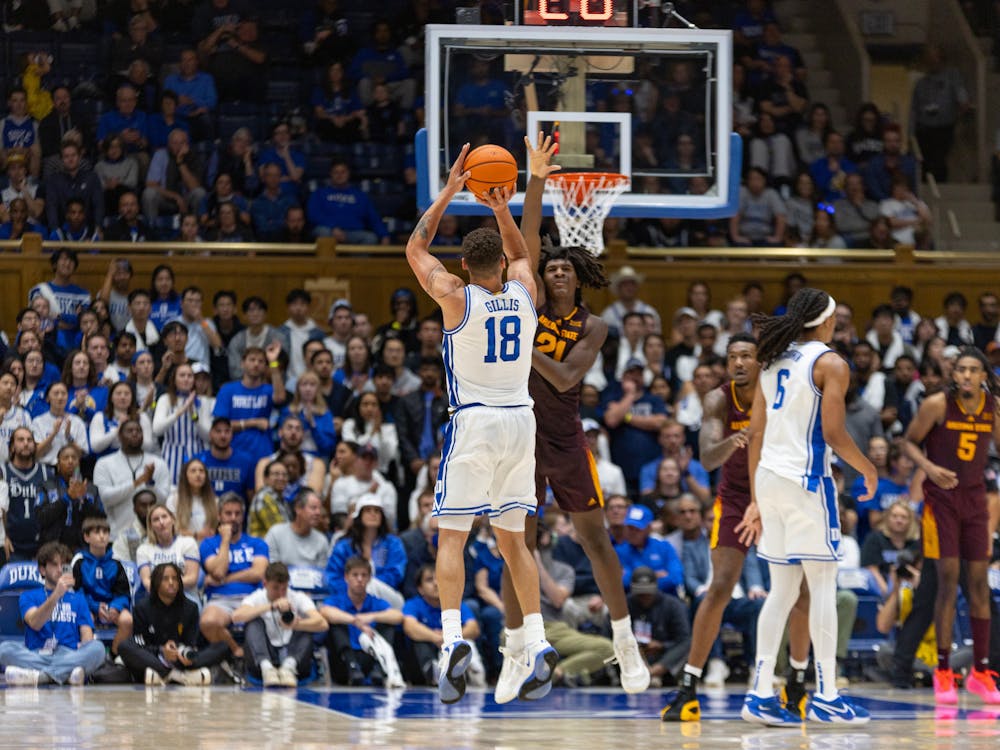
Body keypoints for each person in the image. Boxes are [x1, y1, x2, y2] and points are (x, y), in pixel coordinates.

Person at [404, 143, 556, 704]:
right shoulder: (523, 293)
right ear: (502, 266)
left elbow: (416, 247)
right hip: (522, 421)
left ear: (465, 266)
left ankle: (449, 641)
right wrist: (498, 206)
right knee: (514, 541)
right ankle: (536, 641)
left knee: (453, 536)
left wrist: (449, 190)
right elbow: (524, 258)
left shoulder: (453, 297)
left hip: (475, 422)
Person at [512, 132, 648, 693]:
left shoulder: (596, 327)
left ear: (580, 276)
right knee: (517, 543)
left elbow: (568, 376)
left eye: (567, 268)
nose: (557, 272)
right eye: (551, 268)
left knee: (596, 541)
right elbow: (524, 243)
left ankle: (624, 642)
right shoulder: (533, 303)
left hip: (567, 440)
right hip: (522, 436)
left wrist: (524, 346)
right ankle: (519, 646)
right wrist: (537, 177)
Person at [737, 287, 877, 726]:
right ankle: (828, 696)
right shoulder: (830, 363)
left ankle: (759, 693)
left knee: (781, 591)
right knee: (822, 588)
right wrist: (868, 469)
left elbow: (754, 434)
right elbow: (834, 434)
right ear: (827, 321)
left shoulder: (772, 358)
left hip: (770, 481)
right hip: (807, 482)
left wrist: (757, 498)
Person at [662, 333, 813, 721]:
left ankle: (796, 684)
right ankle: (688, 686)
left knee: (801, 590)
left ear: (762, 360)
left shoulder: (780, 393)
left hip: (780, 494)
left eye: (747, 355)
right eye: (733, 357)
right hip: (735, 499)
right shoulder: (717, 399)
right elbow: (708, 459)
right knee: (720, 586)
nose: (740, 363)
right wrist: (736, 439)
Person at [903, 346, 1000, 705]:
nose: (967, 376)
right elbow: (909, 442)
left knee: (979, 585)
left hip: (975, 501)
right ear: (954, 374)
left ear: (984, 377)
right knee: (947, 580)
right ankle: (943, 670)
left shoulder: (993, 409)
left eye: (974, 370)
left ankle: (981, 671)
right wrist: (928, 468)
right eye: (961, 370)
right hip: (941, 501)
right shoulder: (937, 405)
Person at [0, 541, 106, 686]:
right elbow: (35, 623)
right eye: (54, 565)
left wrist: (84, 651)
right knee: (4, 649)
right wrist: (56, 595)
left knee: (98, 648)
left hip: (69, 654)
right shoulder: (28, 596)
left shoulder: (78, 598)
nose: (60, 569)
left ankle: (41, 676)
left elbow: (87, 636)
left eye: (63, 565)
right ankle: (65, 675)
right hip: (36, 653)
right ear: (43, 570)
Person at [119, 561, 229, 686]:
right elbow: (141, 642)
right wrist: (161, 651)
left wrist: (183, 652)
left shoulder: (190, 608)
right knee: (124, 646)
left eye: (175, 578)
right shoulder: (142, 608)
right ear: (156, 582)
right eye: (165, 579)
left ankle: (166, 675)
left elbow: (191, 642)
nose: (171, 582)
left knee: (223, 646)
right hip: (155, 658)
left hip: (181, 659)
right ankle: (174, 675)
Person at [232, 561, 328, 687]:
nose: (281, 593)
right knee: (252, 622)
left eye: (284, 588)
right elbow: (236, 617)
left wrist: (296, 624)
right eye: (275, 588)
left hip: (293, 654)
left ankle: (289, 667)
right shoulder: (256, 597)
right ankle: (267, 668)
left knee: (307, 623)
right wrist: (270, 606)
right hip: (264, 655)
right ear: (265, 584)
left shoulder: (298, 597)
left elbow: (323, 624)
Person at [199, 493, 269, 658]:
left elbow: (258, 573)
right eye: (228, 513)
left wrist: (226, 579)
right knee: (208, 622)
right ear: (219, 516)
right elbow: (218, 571)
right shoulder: (209, 544)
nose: (233, 518)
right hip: (221, 599)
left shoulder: (257, 543)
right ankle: (236, 652)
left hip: (253, 598)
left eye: (237, 514)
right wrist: (225, 540)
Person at [320, 555, 405, 687]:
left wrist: (372, 616)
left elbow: (398, 616)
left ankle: (379, 668)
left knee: (388, 623)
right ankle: (352, 666)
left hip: (369, 657)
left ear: (369, 578)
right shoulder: (337, 600)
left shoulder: (375, 602)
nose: (360, 579)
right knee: (336, 624)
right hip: (343, 662)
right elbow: (325, 612)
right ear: (346, 577)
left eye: (364, 575)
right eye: (355, 575)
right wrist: (355, 621)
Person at [325, 494, 406, 608]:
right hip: (348, 596)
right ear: (359, 515)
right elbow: (333, 576)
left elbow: (396, 574)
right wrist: (355, 589)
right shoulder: (343, 545)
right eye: (368, 510)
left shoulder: (393, 543)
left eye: (377, 511)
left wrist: (366, 585)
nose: (373, 514)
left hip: (384, 596)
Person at [92, 419, 170, 538]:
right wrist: (137, 482)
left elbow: (163, 500)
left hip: (152, 536)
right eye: (129, 431)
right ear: (119, 436)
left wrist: (149, 483)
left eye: (138, 431)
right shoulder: (104, 464)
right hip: (117, 535)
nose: (135, 433)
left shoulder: (158, 463)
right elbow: (105, 498)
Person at [214, 344, 286, 466]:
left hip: (262, 454)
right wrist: (254, 423)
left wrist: (273, 362)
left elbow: (280, 398)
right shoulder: (228, 390)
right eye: (252, 360)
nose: (256, 364)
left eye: (261, 361)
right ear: (242, 363)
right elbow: (220, 427)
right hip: (233, 453)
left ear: (264, 366)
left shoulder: (268, 390)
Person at [72, 515, 133, 655]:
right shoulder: (79, 561)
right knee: (85, 618)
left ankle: (114, 656)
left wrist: (115, 607)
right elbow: (76, 593)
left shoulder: (116, 562)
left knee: (127, 620)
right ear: (87, 537)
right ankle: (87, 658)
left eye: (105, 532)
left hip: (111, 606)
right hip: (89, 606)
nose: (102, 536)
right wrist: (94, 606)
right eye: (97, 532)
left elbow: (124, 594)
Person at [153, 362, 213, 483]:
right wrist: (180, 411)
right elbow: (157, 430)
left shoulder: (203, 401)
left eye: (190, 376)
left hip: (197, 454)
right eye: (182, 375)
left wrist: (194, 415)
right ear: (174, 379)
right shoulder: (165, 399)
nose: (186, 379)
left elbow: (208, 437)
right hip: (171, 455)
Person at [2, 427, 54, 561]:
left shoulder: (46, 473)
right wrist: (3, 537)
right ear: (12, 447)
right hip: (11, 545)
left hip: (40, 546)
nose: (26, 443)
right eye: (20, 440)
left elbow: (54, 511)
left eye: (29, 440)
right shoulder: (3, 472)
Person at [135, 504, 201, 594]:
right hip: (157, 598)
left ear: (173, 519)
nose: (161, 522)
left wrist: (163, 585)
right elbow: (147, 582)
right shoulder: (143, 550)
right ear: (151, 526)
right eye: (156, 519)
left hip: (186, 595)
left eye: (164, 517)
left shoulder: (188, 543)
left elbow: (192, 579)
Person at [264, 489, 329, 568]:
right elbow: (271, 571)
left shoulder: (322, 540)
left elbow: (321, 574)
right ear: (298, 509)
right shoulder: (276, 533)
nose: (318, 513)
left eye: (319, 509)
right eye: (313, 508)